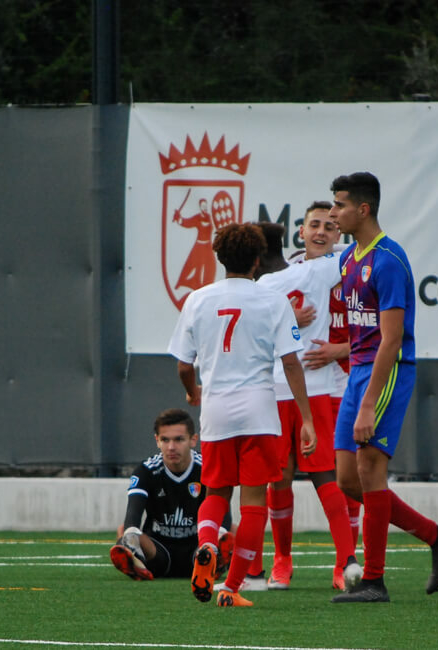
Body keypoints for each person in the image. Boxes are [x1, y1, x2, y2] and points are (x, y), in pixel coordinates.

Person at [326, 172, 438, 604]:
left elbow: (391, 339)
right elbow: (363, 332)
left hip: (387, 373)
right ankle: (437, 536)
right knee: (348, 479)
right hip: (359, 374)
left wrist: (369, 405)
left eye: (340, 205)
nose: (333, 213)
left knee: (370, 470)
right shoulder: (348, 259)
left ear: (363, 209)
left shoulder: (387, 260)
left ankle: (374, 581)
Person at [168, 222, 316, 608]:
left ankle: (206, 545)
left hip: (217, 410)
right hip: (259, 412)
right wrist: (306, 417)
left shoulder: (198, 299)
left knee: (216, 492)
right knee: (253, 502)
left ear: (220, 258)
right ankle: (231, 588)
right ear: (256, 261)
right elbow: (291, 363)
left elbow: (184, 365)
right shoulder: (273, 300)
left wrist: (193, 391)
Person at [255, 202, 361, 592]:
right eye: (314, 225)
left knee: (340, 475)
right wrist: (284, 315)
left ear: (339, 234)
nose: (321, 232)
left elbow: (382, 332)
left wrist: (340, 350)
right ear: (300, 231)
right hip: (285, 388)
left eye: (330, 227)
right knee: (279, 476)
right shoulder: (286, 275)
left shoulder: (354, 271)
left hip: (337, 386)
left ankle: (345, 562)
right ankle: (281, 560)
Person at [110, 408, 234, 581]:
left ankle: (213, 561)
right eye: (165, 440)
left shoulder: (207, 467)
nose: (171, 447)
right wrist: (130, 537)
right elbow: (133, 518)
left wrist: (215, 540)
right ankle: (136, 563)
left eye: (179, 440)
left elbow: (224, 517)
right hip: (157, 551)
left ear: (193, 440)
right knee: (125, 531)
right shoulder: (146, 470)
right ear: (157, 441)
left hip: (200, 547)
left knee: (231, 530)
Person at [173, 197, 216, 291]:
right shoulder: (197, 217)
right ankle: (182, 282)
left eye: (205, 206)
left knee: (210, 267)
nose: (205, 208)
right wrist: (179, 218)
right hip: (199, 246)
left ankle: (208, 288)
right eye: (203, 206)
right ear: (200, 207)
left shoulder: (210, 217)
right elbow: (187, 222)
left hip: (208, 247)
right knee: (191, 264)